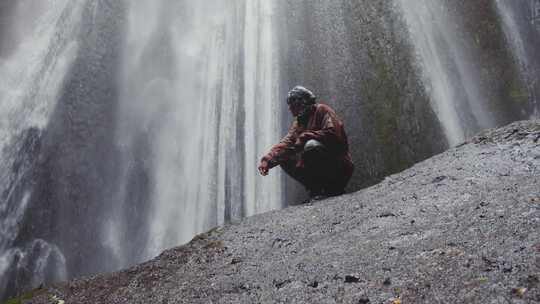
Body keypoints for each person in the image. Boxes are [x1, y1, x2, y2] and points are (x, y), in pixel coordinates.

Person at [258, 86, 354, 200]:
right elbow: (286, 143)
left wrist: (306, 136)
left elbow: (333, 134)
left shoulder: (322, 110)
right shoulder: (299, 122)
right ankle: (315, 190)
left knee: (311, 146)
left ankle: (333, 189)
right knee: (284, 157)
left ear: (302, 102)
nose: (290, 109)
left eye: (292, 104)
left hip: (339, 166)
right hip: (324, 164)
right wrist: (267, 160)